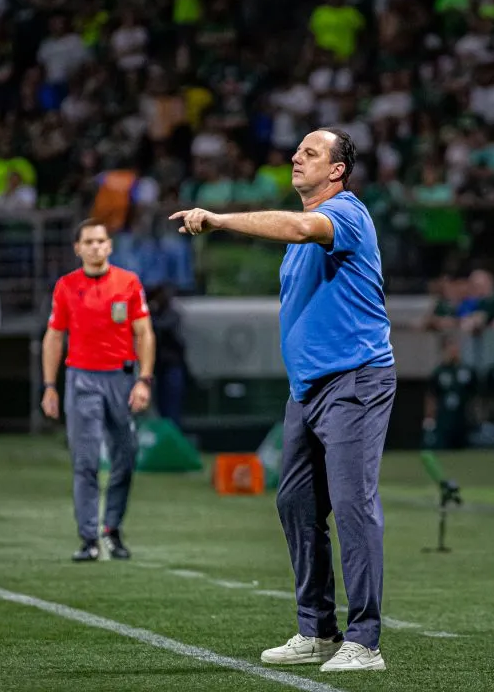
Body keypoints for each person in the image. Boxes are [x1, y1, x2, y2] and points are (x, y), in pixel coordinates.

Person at [170, 128, 395, 673]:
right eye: (297, 150)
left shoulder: (345, 214)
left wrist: (221, 220)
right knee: (295, 504)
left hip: (356, 382)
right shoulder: (303, 243)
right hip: (308, 392)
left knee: (353, 505)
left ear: (338, 170)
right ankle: (317, 631)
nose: (296, 157)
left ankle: (364, 642)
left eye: (311, 153)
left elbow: (297, 226)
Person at [41, 219, 156, 561]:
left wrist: (143, 379)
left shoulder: (128, 283)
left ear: (109, 246)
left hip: (121, 379)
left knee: (125, 456)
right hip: (82, 379)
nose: (95, 246)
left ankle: (112, 528)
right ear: (77, 248)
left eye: (100, 241)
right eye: (88, 241)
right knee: (86, 460)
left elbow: (144, 332)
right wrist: (50, 386)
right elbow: (54, 336)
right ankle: (89, 537)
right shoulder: (65, 286)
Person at [147, 284, 187, 429]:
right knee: (157, 408)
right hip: (155, 368)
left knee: (172, 408)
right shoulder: (151, 314)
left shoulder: (172, 314)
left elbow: (164, 326)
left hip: (171, 366)